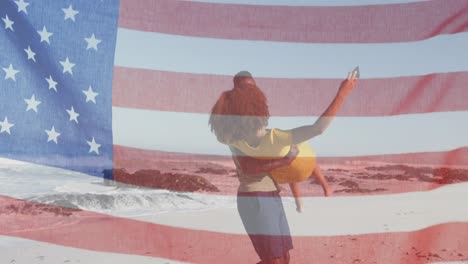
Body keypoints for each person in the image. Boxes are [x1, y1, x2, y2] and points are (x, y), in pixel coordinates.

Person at [209, 70, 357, 263]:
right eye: (246, 88)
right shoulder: (250, 137)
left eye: (253, 87)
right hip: (254, 198)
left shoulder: (246, 135)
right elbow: (317, 129)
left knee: (284, 257)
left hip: (270, 195)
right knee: (275, 260)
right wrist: (342, 93)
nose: (252, 92)